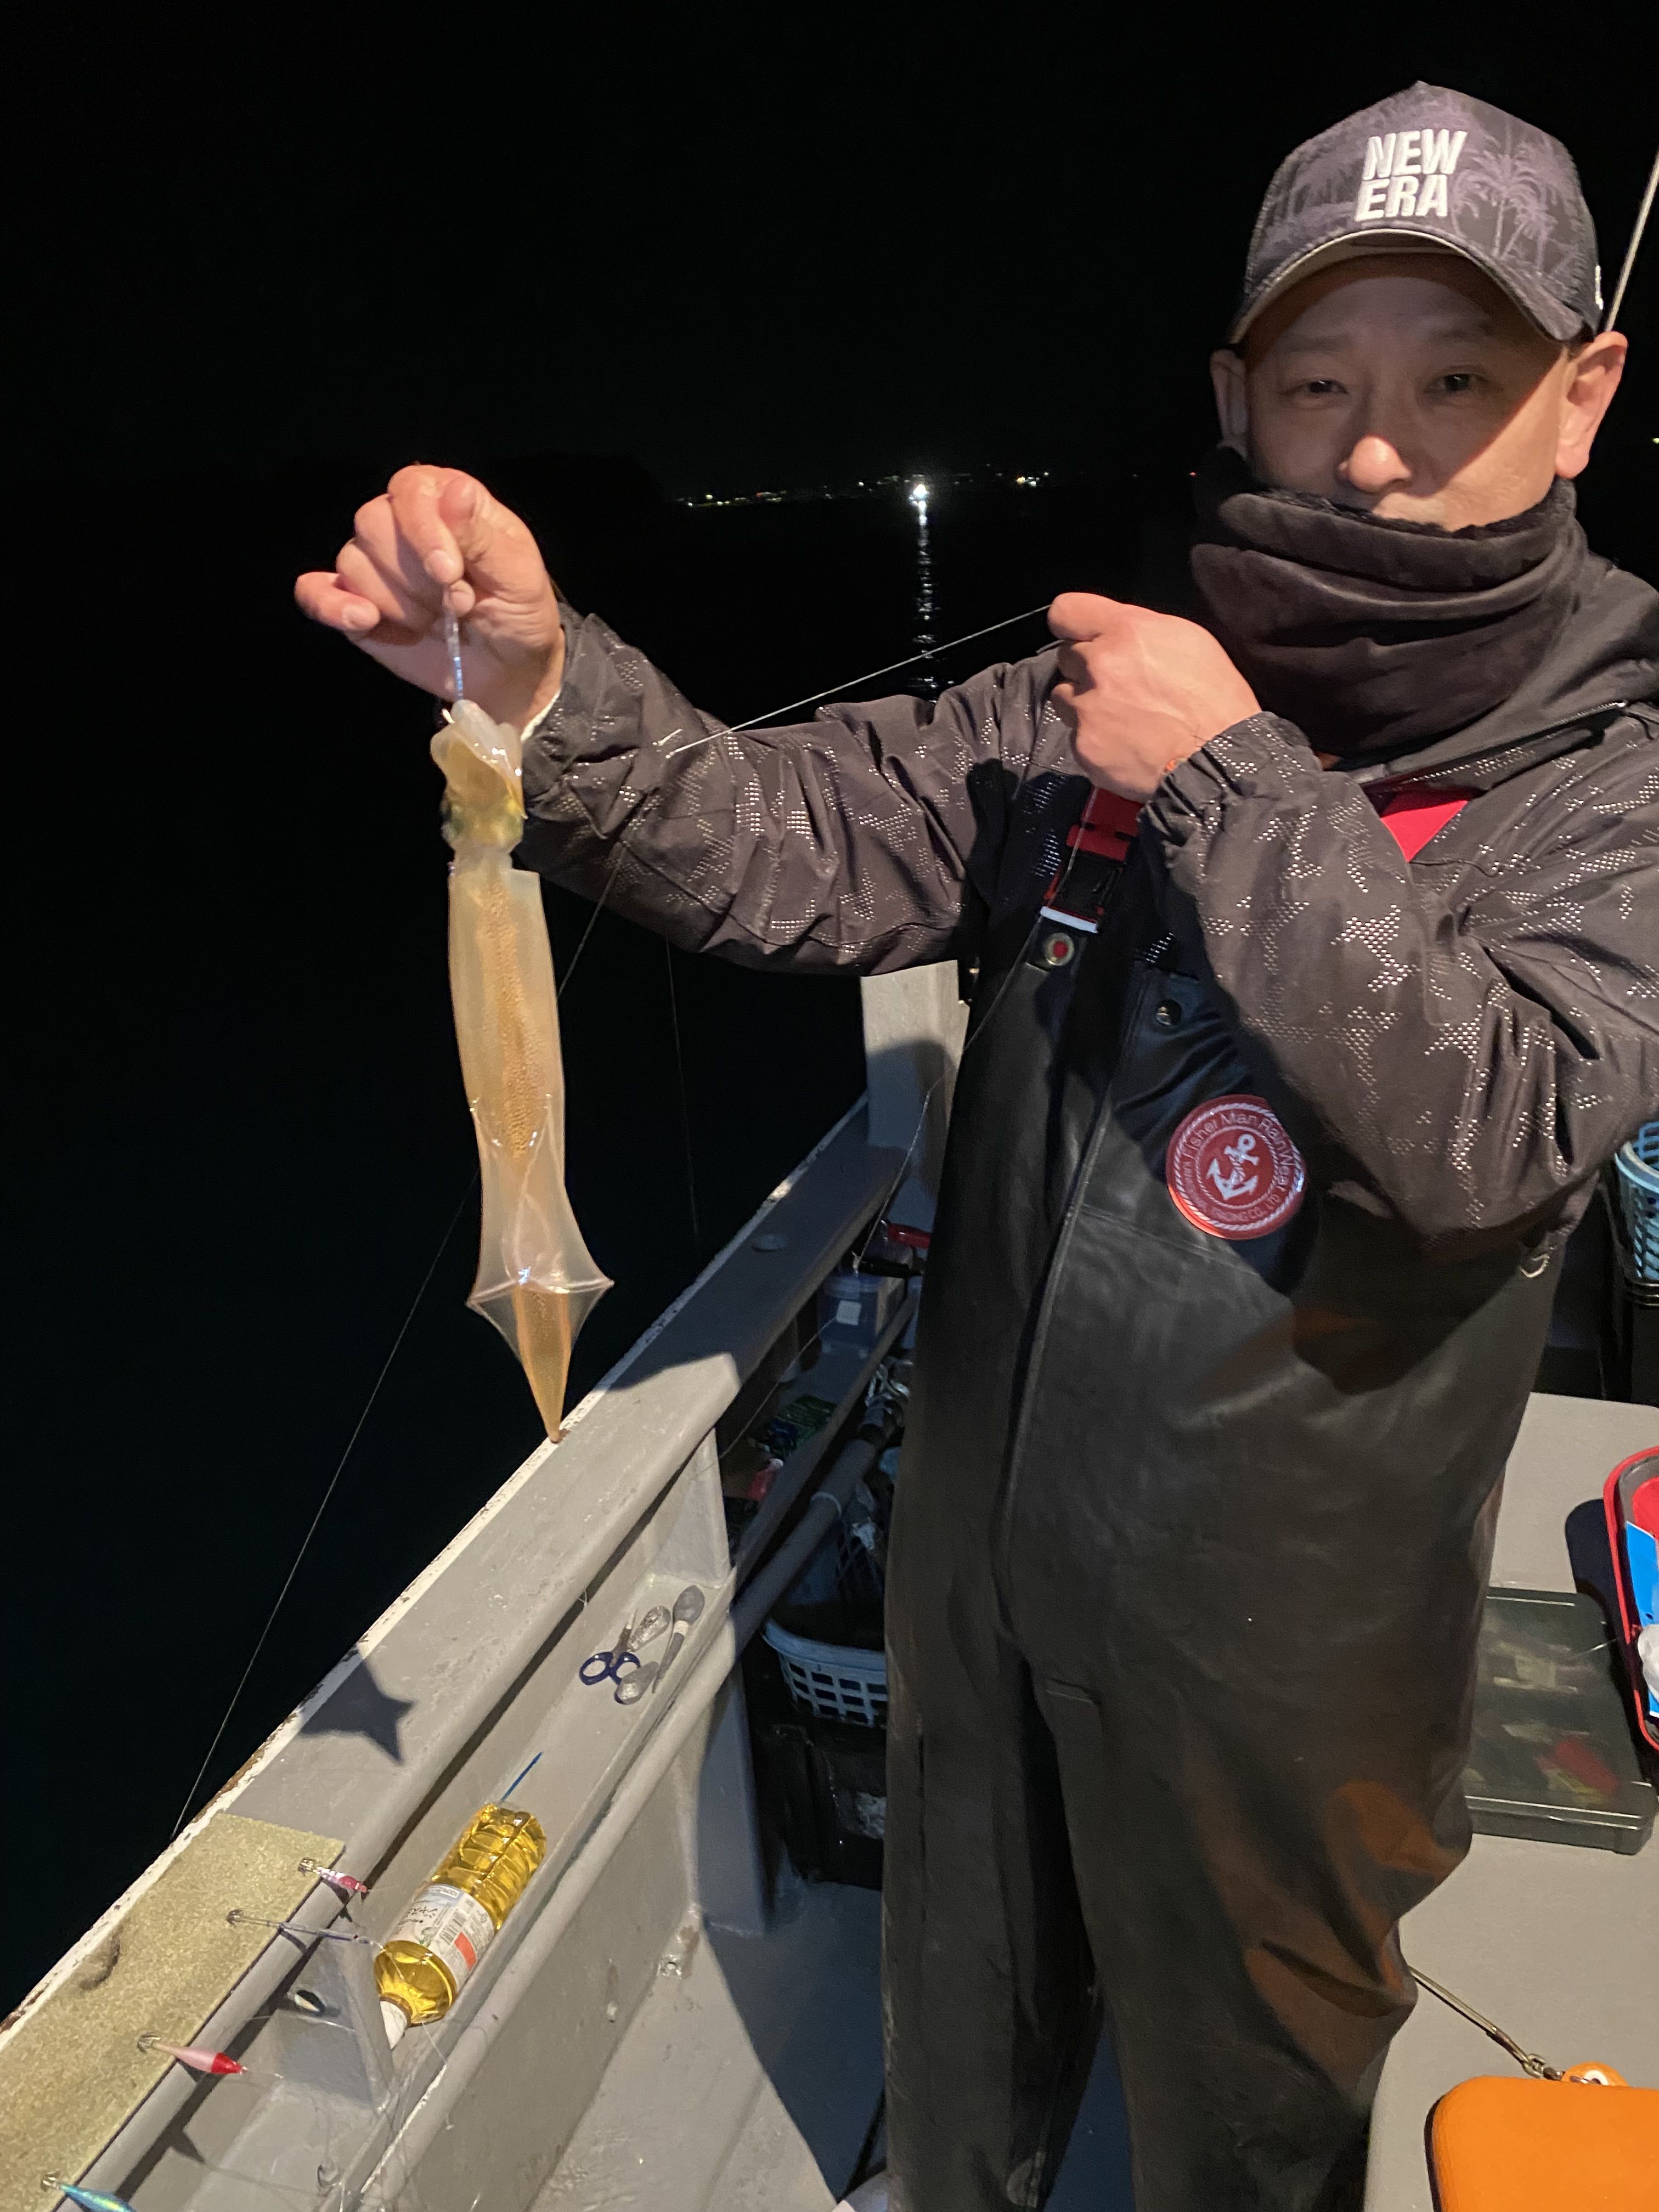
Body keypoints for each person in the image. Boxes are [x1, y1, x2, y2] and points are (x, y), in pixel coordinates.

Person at [298, 82, 1657, 2212]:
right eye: (1319, 385)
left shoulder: (1607, 795)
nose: (1378, 452)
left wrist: (1225, 777)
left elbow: (1491, 1132)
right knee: (962, 2049)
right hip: (976, 1578)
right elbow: (780, 844)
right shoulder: (1085, 705)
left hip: (1289, 1676)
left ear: (1581, 399)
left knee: (1257, 2108)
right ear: (1238, 400)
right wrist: (544, 693)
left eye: (1456, 381)